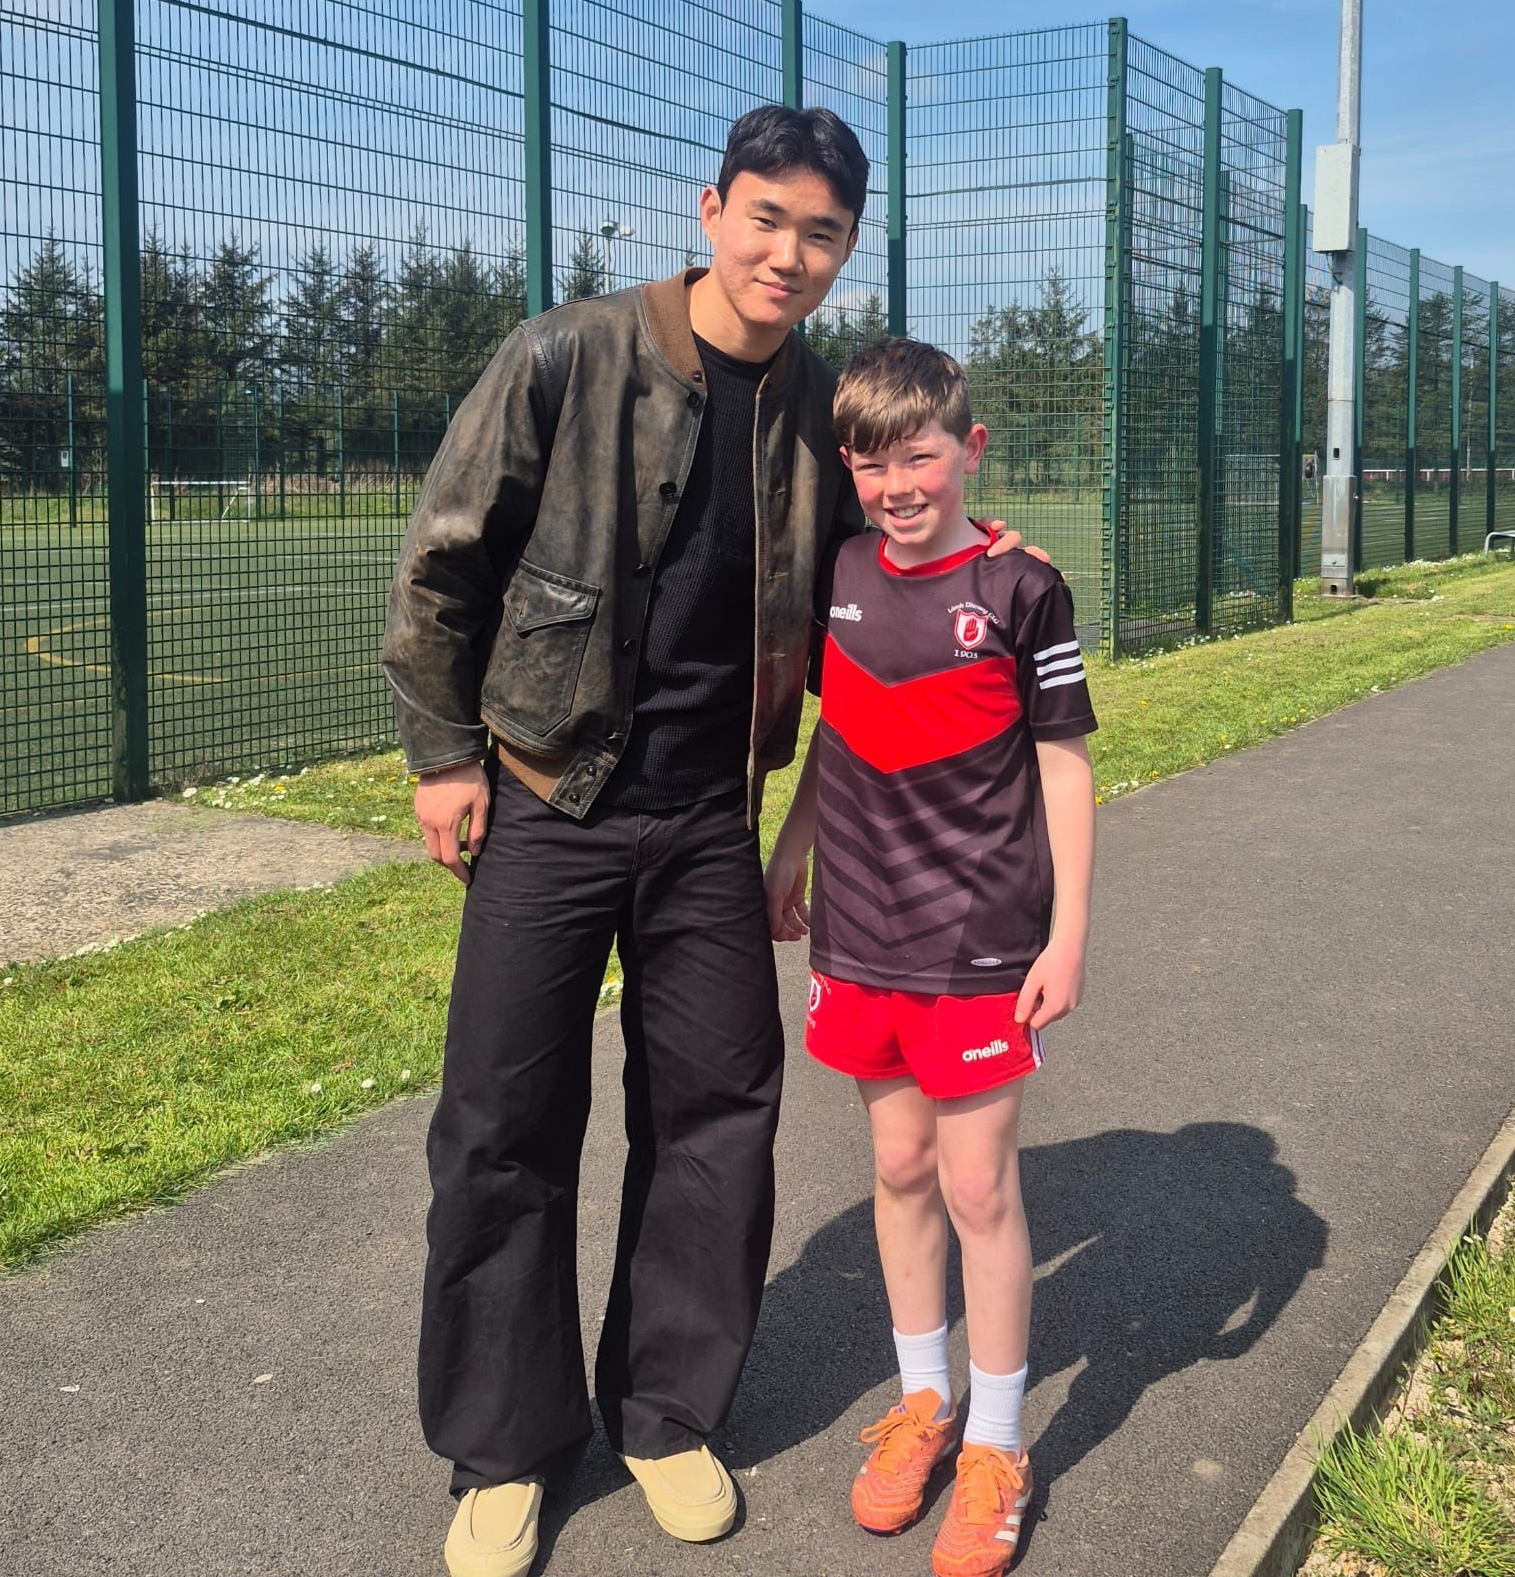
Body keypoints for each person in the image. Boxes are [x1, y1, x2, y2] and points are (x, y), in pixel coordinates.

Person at [381, 106, 1035, 1577]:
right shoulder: (567, 356)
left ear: (847, 248)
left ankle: (667, 1414)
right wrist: (441, 756)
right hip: (551, 793)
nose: (787, 254)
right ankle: (503, 1449)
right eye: (765, 218)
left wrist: (1000, 549)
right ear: (709, 210)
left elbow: (899, 519)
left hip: (706, 819)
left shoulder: (818, 402)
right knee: (502, 1122)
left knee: (718, 1115)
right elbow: (443, 560)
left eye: (821, 233)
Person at [764, 337, 1098, 1577]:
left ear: (969, 449)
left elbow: (1063, 763)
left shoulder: (1022, 589)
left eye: (920, 456)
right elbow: (845, 733)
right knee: (896, 1163)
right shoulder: (841, 569)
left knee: (977, 1187)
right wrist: (788, 849)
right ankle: (924, 1399)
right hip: (857, 924)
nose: (898, 484)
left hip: (977, 934)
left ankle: (998, 1444)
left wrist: (1067, 930)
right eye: (871, 462)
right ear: (846, 466)